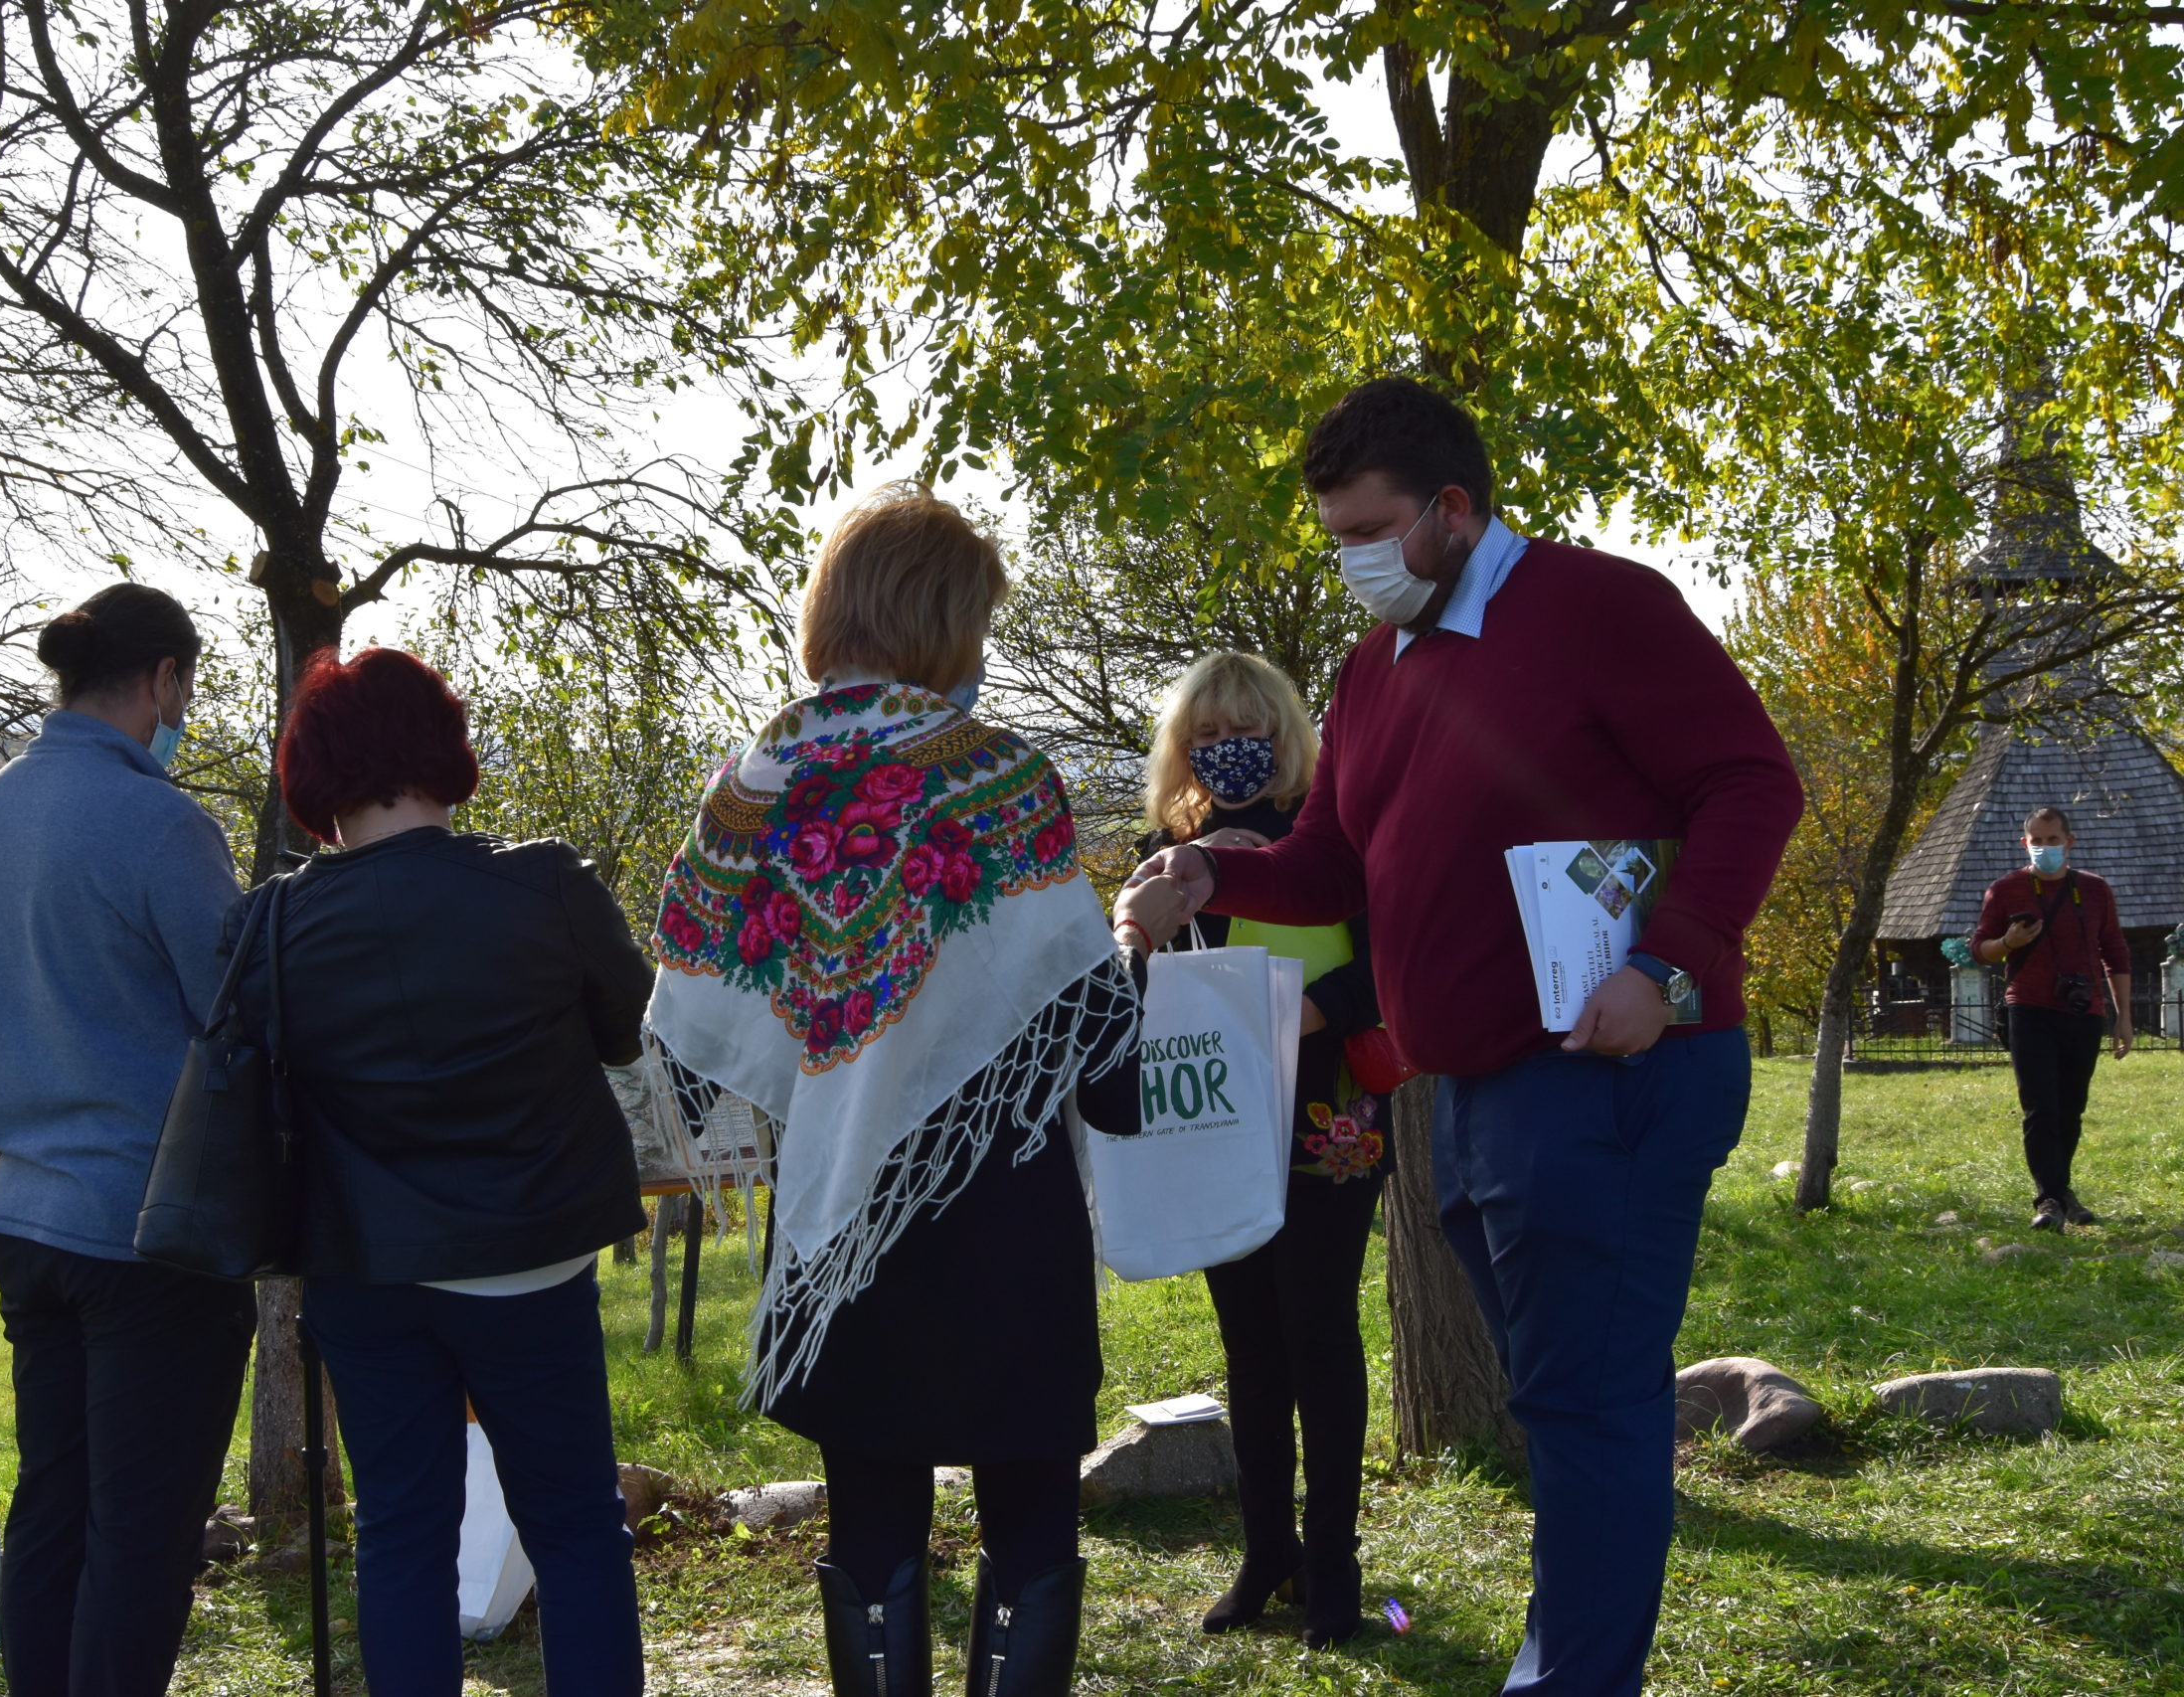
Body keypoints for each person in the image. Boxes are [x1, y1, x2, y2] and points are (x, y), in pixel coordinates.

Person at [1133, 379, 1802, 1697]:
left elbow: (1753, 782)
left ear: (1453, 508)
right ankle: (1571, 1661)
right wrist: (1216, 873)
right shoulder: (1374, 671)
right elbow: (1334, 857)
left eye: (1369, 530)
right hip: (1476, 1096)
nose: (1352, 561)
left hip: (1613, 1071)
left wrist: (1669, 962)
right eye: (1334, 536)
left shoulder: (1602, 606)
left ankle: (1568, 1677)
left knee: (1590, 1398)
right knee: (1557, 1400)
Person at [645, 482, 1183, 1696]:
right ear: (946, 624)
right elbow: (1091, 1043)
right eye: (979, 628)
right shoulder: (998, 781)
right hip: (1002, 1217)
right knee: (1032, 1522)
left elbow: (686, 1033)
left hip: (840, 1216)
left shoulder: (746, 793)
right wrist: (1139, 953)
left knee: (870, 1525)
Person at [230, 646, 651, 1697]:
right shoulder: (547, 884)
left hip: (363, 1275)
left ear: (312, 772)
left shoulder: (271, 925)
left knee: (401, 1538)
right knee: (575, 1531)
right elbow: (627, 1031)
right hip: (528, 1264)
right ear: (444, 749)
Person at [0, 583, 252, 1697]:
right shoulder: (161, 823)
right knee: (144, 1534)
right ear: (165, 679)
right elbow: (237, 1013)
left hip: (27, 1216)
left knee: (55, 1515)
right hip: (148, 1231)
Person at [1135, 652, 1394, 1648]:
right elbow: (1137, 974)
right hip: (1215, 1116)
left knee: (1319, 1332)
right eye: (1203, 735)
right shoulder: (1166, 847)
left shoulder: (1333, 838)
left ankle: (1334, 1568)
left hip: (1328, 1108)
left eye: (1245, 727)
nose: (1225, 748)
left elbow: (1388, 957)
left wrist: (1304, 1017)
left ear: (1286, 735)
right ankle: (1266, 1554)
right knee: (1249, 1343)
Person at [1970, 804, 2132, 1232]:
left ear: (2069, 842)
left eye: (2053, 840)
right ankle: (2049, 1199)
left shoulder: (2096, 890)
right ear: (2024, 843)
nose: (2045, 848)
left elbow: (2114, 952)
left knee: (2070, 1109)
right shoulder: (2005, 890)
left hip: (2083, 1011)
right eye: (2036, 841)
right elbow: (1979, 948)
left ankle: (2061, 1192)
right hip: (2028, 1007)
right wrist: (2008, 941)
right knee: (2040, 1107)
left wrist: (2124, 1017)